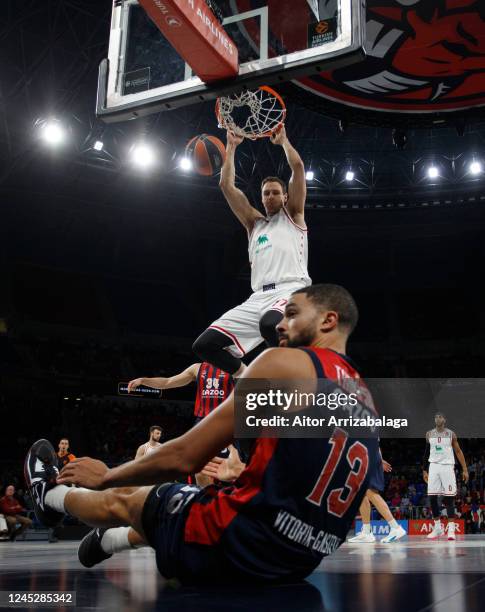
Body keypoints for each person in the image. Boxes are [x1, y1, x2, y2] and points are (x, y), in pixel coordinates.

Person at [25, 284, 378, 583]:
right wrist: (243, 472)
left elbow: (183, 457)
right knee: (186, 501)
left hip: (242, 544)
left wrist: (107, 477)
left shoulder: (283, 363)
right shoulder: (366, 400)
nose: (280, 325)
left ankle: (49, 497)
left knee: (134, 496)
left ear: (328, 320)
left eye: (292, 314)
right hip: (302, 561)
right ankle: (112, 540)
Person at [192, 126, 311, 377]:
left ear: (285, 196)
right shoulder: (254, 223)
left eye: (275, 193)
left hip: (291, 291)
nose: (269, 197)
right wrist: (231, 146)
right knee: (204, 345)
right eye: (265, 193)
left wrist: (284, 142)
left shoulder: (294, 215)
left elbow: (298, 167)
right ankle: (246, 378)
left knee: (270, 324)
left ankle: (291, 375)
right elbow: (226, 186)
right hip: (257, 298)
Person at [129, 363, 234, 486]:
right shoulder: (197, 368)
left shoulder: (234, 365)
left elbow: (249, 393)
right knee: (200, 471)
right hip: (202, 424)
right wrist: (143, 380)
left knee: (230, 470)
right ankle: (207, 500)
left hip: (227, 423)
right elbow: (168, 382)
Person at [423, 412, 468, 540]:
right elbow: (426, 453)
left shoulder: (451, 434)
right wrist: (424, 470)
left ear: (445, 420)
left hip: (447, 466)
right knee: (431, 497)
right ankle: (438, 529)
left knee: (449, 498)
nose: (438, 418)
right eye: (436, 416)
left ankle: (451, 530)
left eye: (440, 416)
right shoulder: (429, 434)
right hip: (433, 466)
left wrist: (464, 469)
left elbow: (458, 451)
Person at [348, 452, 407, 544]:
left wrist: (378, 459)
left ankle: (395, 527)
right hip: (361, 459)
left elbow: (372, 442)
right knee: (361, 494)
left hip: (368, 459)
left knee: (370, 491)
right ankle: (366, 532)